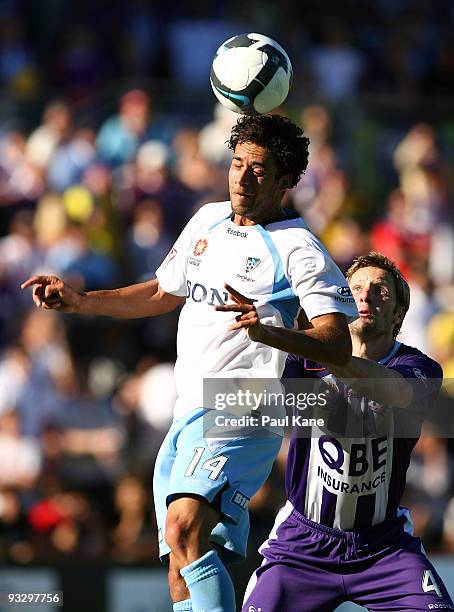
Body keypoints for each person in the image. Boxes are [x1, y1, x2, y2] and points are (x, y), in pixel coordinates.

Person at [21, 113, 358, 612]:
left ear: (286, 181)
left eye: (259, 170)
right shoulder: (207, 219)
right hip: (188, 408)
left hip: (243, 404)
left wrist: (267, 330)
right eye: (237, 163)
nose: (242, 178)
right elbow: (162, 291)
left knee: (182, 528)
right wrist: (81, 301)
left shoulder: (299, 248)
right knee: (180, 565)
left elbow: (336, 343)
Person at [224, 251, 453, 611]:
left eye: (381, 290)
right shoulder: (300, 363)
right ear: (342, 302)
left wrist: (304, 341)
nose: (365, 296)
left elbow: (391, 389)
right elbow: (241, 396)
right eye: (356, 289)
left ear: (398, 314)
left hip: (383, 547)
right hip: (302, 544)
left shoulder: (420, 368)